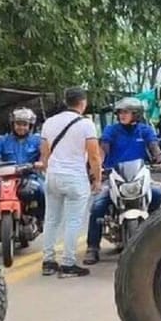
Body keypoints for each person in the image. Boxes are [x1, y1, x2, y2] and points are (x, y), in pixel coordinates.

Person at [83, 97, 161, 265]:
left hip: (139, 176)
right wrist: (98, 167)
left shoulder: (145, 130)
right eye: (120, 112)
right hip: (114, 176)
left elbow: (154, 147)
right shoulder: (111, 130)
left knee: (157, 195)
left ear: (136, 114)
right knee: (98, 206)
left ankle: (153, 235)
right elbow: (103, 149)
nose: (122, 115)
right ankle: (92, 248)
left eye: (126, 112)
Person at [39, 87, 102, 278]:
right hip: (75, 177)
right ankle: (68, 264)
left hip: (53, 176)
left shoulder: (49, 122)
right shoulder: (86, 124)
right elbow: (94, 156)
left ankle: (48, 262)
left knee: (51, 219)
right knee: (73, 221)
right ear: (83, 102)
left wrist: (49, 170)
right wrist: (97, 179)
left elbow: (44, 153)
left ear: (66, 101)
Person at [0, 108, 44, 248]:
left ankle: (41, 220)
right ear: (12, 124)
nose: (21, 127)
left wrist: (40, 163)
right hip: (6, 177)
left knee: (41, 191)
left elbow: (45, 155)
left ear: (30, 126)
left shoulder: (37, 141)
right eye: (18, 124)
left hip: (30, 176)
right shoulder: (3, 141)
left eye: (24, 124)